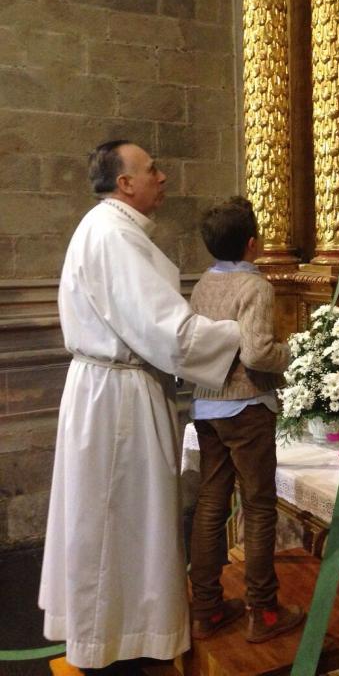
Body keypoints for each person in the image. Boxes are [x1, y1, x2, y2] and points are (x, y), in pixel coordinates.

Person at [38, 141, 241, 674]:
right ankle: (121, 641)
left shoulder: (108, 229)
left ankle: (114, 632)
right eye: (152, 170)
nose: (164, 177)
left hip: (110, 390)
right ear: (125, 183)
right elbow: (167, 331)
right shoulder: (114, 236)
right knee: (121, 521)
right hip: (118, 401)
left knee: (112, 521)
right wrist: (239, 338)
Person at [188, 197, 305, 644]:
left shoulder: (202, 284)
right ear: (253, 242)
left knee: (211, 504)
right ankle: (264, 610)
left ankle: (206, 608)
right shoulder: (255, 286)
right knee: (257, 507)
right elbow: (257, 352)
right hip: (245, 406)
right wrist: (291, 354)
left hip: (207, 406)